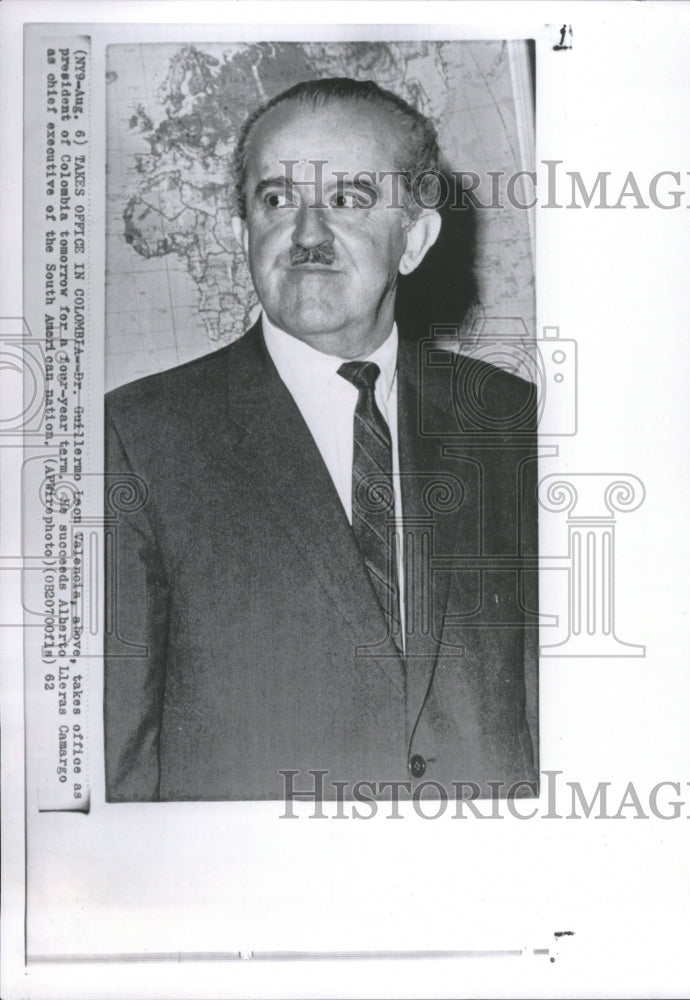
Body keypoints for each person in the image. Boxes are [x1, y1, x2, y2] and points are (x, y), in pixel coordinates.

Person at [104, 77, 539, 802]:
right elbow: (115, 757)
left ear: (414, 238)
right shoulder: (139, 435)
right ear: (244, 234)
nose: (307, 235)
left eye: (347, 199)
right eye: (276, 199)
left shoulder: (511, 419)